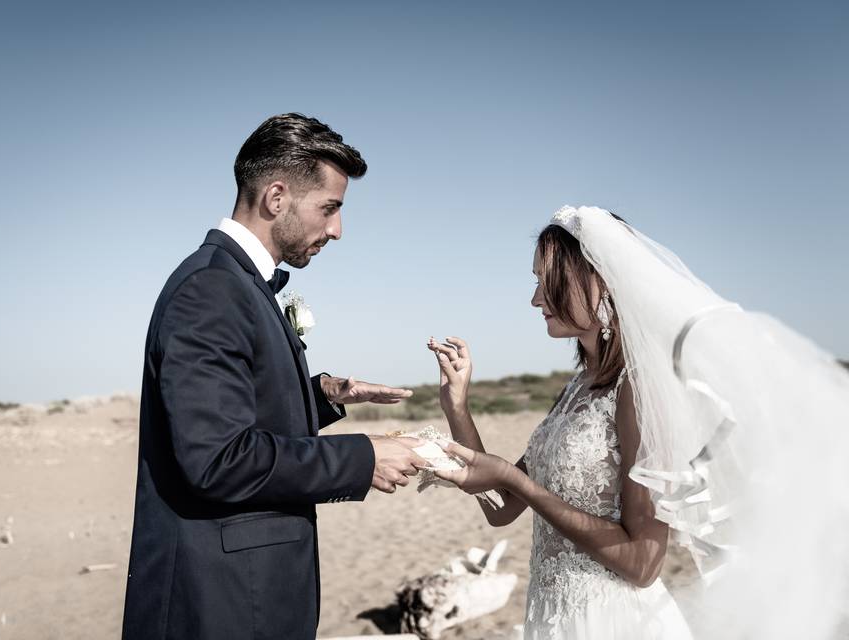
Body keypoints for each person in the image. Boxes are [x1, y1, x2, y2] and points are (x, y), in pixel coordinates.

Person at [429, 206, 849, 639]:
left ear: (600, 280)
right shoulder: (576, 388)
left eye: (547, 280)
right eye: (536, 282)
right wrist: (457, 406)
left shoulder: (637, 391)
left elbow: (643, 563)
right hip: (552, 619)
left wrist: (520, 484)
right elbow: (501, 506)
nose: (536, 298)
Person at [122, 113, 426, 640]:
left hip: (248, 595)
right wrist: (363, 457)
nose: (337, 230)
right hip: (223, 603)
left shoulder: (236, 283)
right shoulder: (211, 290)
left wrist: (325, 395)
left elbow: (239, 409)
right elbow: (218, 460)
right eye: (329, 208)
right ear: (277, 197)